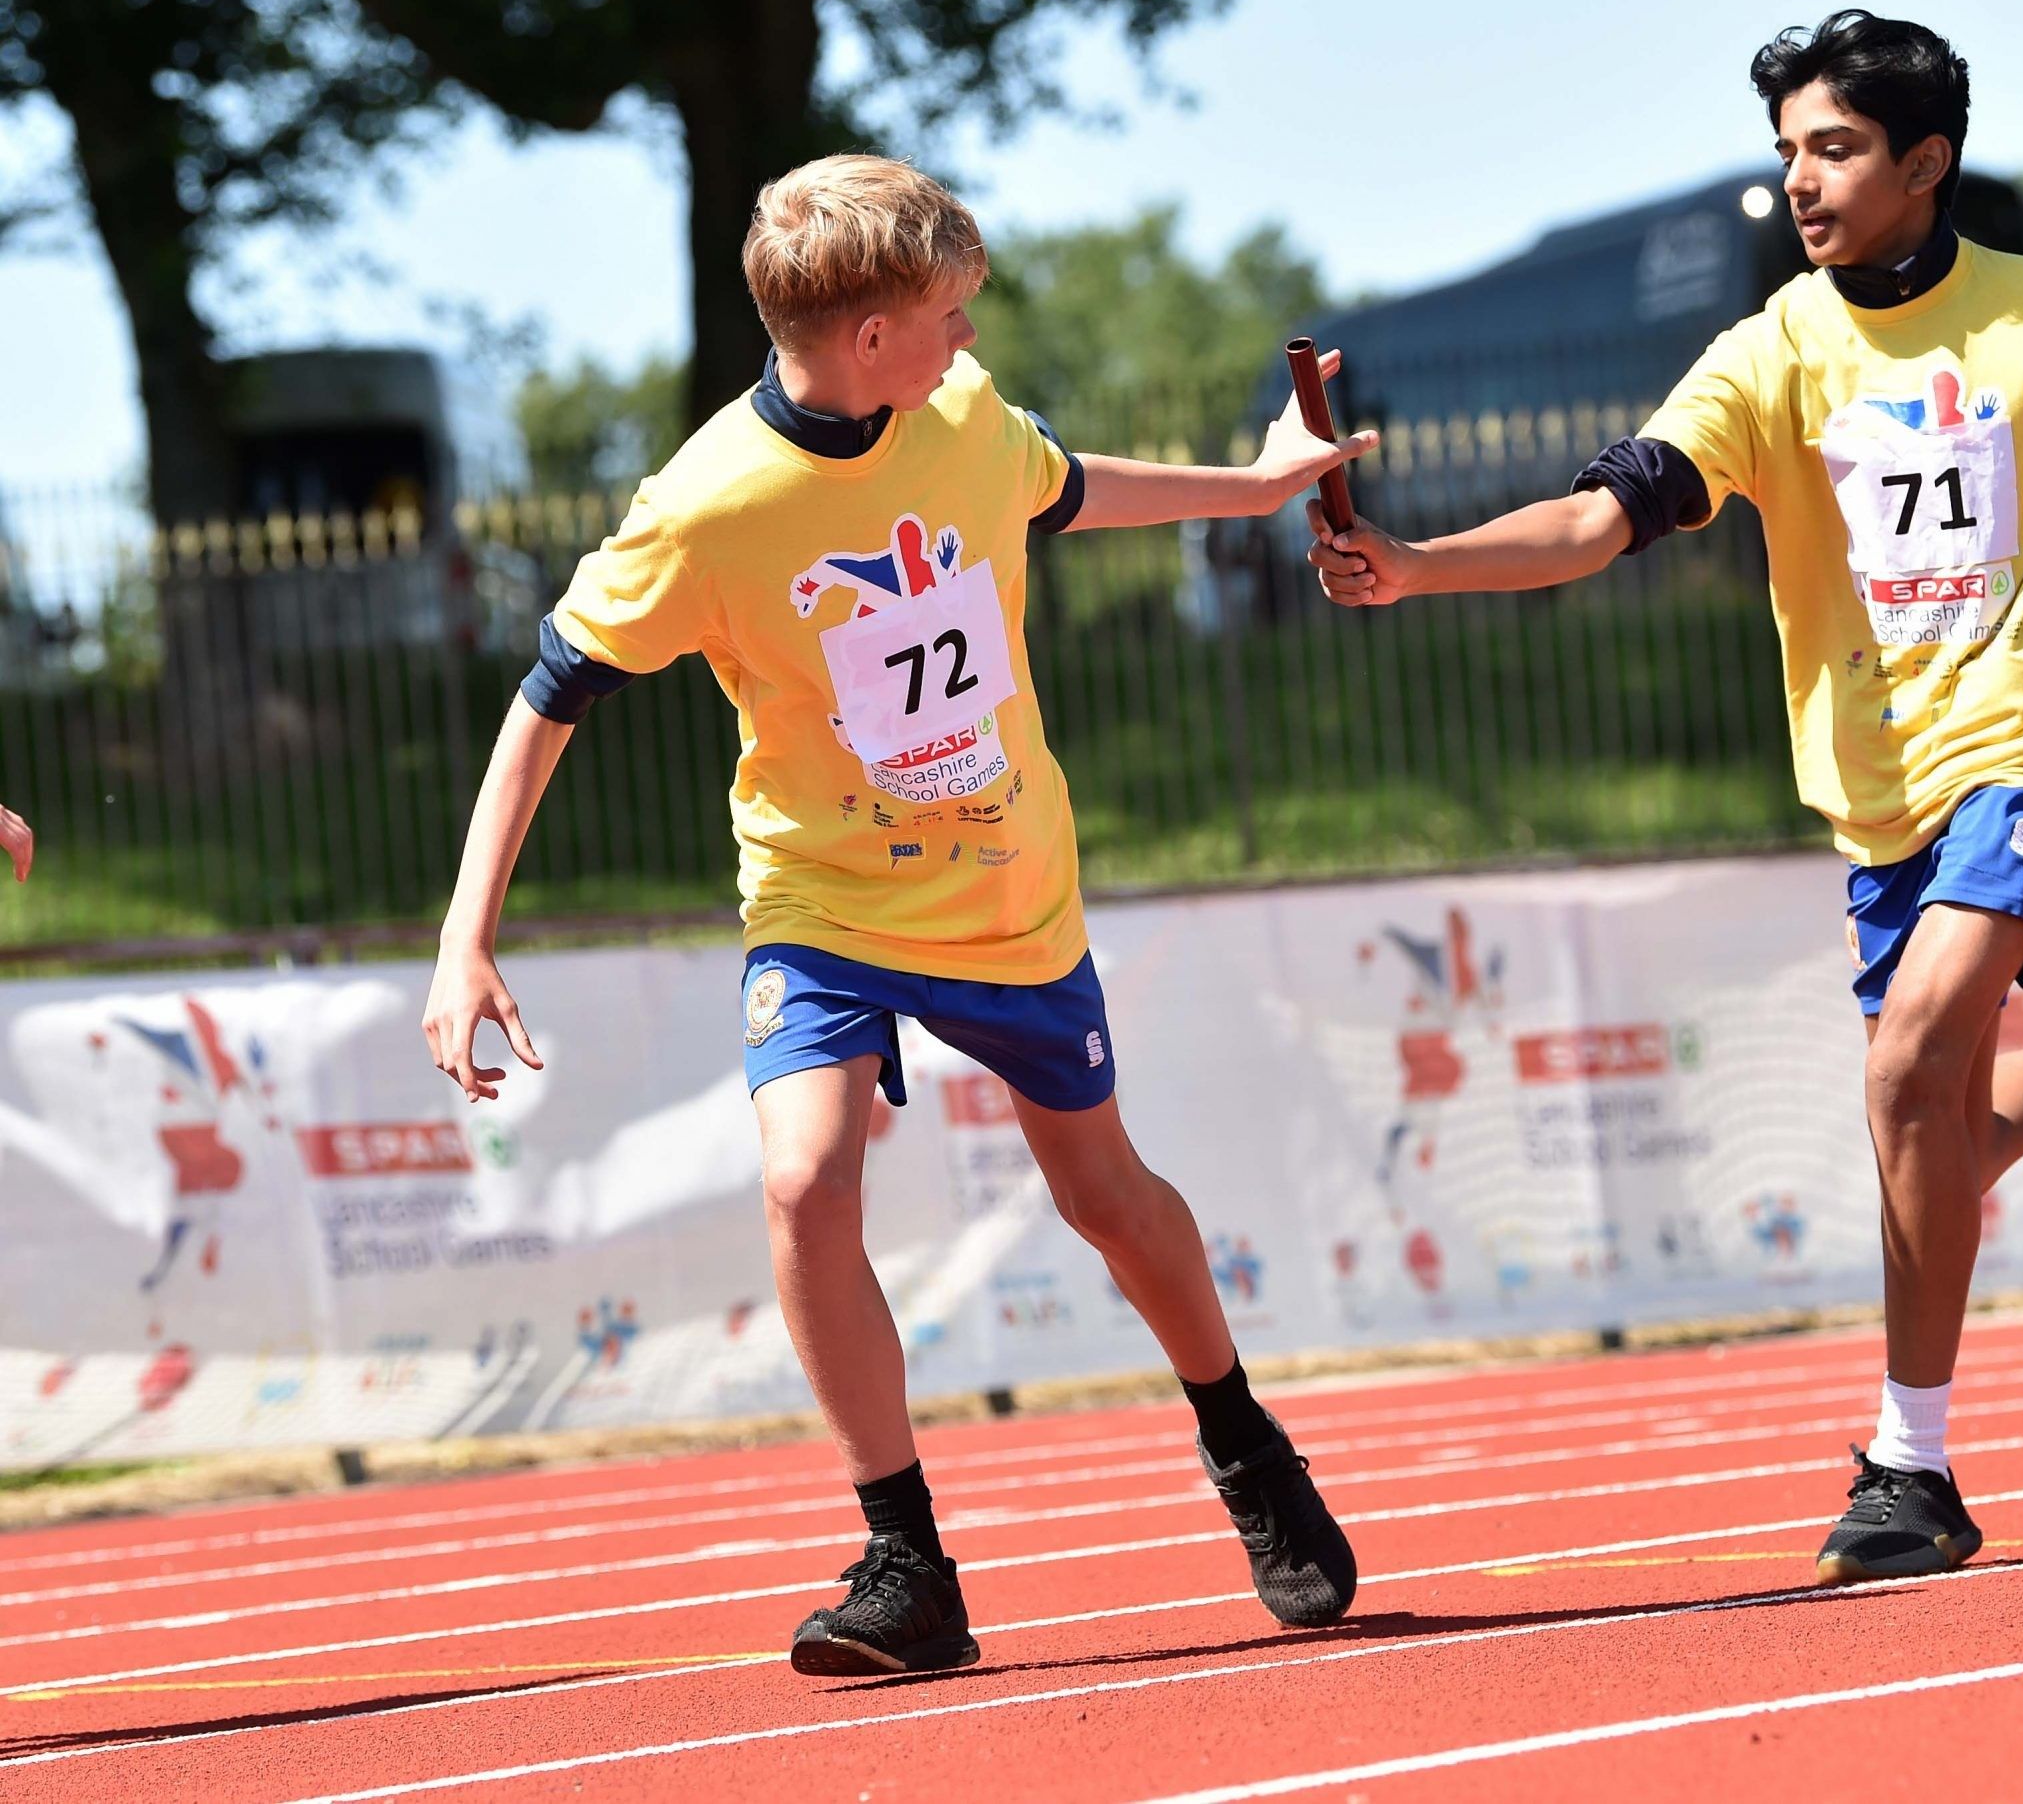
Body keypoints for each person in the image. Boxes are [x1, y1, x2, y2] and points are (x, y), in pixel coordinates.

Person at [1304, 10, 2023, 1586]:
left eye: (1833, 149)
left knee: (1909, 1071)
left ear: (1927, 160)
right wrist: (1418, 565)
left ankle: (1913, 1465)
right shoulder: (1771, 352)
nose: (1801, 183)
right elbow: (1597, 519)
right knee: (1945, 1140)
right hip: (1877, 795)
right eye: (1786, 154)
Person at [422, 155, 1376, 1675]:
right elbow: (548, 700)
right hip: (821, 900)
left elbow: (1073, 490)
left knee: (1104, 1195)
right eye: (947, 314)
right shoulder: (706, 506)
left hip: (1006, 894)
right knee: (805, 1183)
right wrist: (467, 933)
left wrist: (1256, 487)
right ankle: (904, 1559)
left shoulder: (966, 421)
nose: (966, 339)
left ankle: (1244, 1441)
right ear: (870, 336)